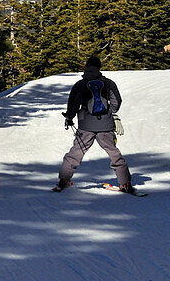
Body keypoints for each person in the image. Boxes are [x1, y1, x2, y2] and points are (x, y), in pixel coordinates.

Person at [54, 55, 134, 193]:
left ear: (86, 67)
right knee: (114, 153)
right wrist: (111, 112)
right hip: (105, 125)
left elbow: (73, 104)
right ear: (99, 67)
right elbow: (116, 101)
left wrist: (69, 117)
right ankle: (125, 183)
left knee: (75, 153)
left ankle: (63, 180)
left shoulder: (80, 84)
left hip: (86, 125)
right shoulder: (108, 83)